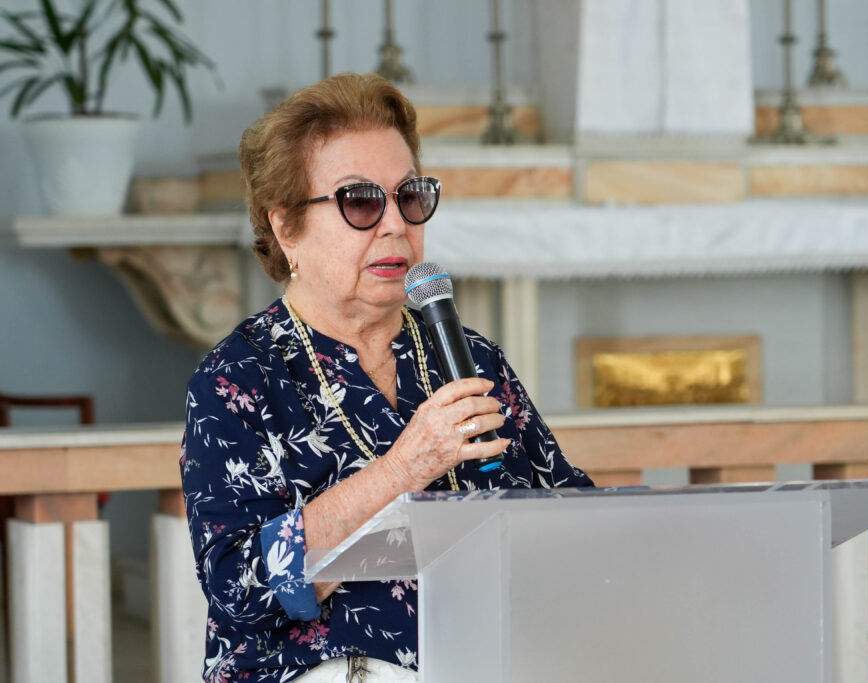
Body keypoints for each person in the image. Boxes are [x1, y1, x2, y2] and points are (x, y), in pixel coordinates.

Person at [180, 72, 592, 683]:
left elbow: (572, 514)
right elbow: (241, 592)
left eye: (410, 197)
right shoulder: (238, 378)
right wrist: (403, 469)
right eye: (361, 201)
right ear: (286, 228)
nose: (396, 224)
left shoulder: (469, 357)